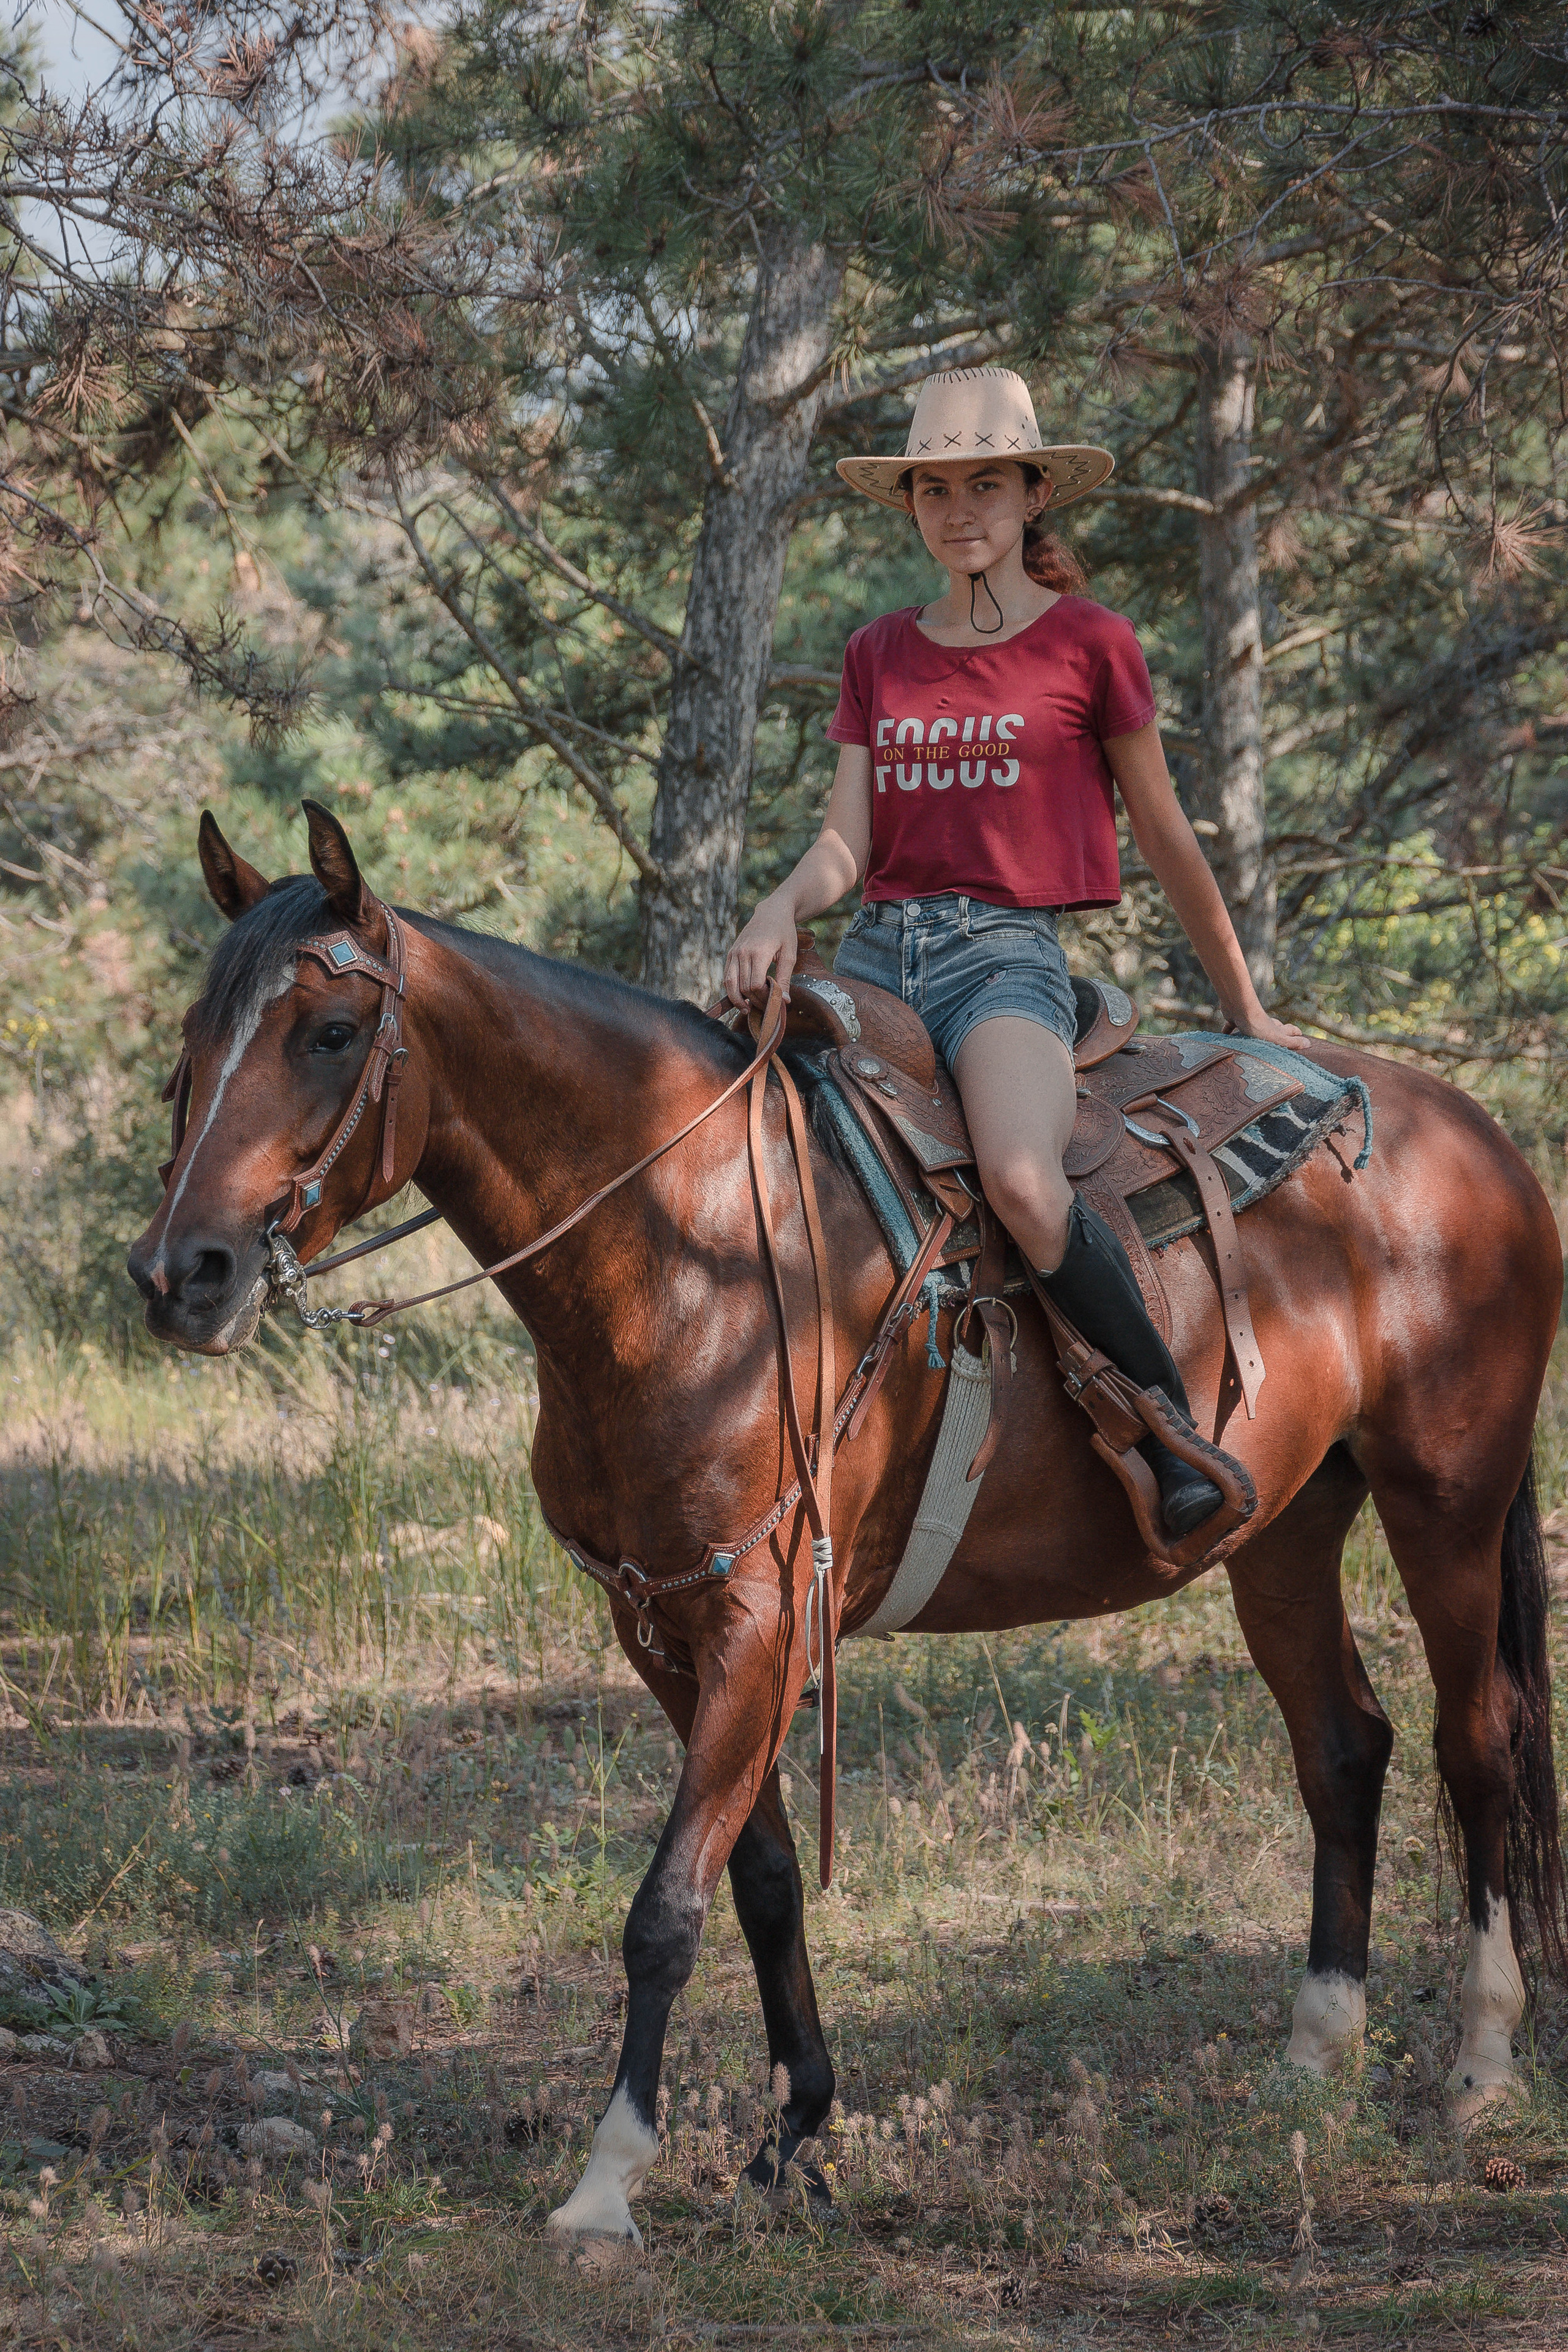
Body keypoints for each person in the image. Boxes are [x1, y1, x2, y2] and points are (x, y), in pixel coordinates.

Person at [722, 368, 1303, 1543]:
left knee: (1026, 1184)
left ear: (1035, 492)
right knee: (753, 1164)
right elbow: (849, 837)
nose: (959, 509)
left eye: (986, 482)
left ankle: (1166, 1425)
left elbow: (1164, 833)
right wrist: (781, 906)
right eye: (933, 488)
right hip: (878, 956)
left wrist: (1248, 1003)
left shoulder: (1091, 643)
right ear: (912, 507)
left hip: (1003, 959)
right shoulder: (879, 650)